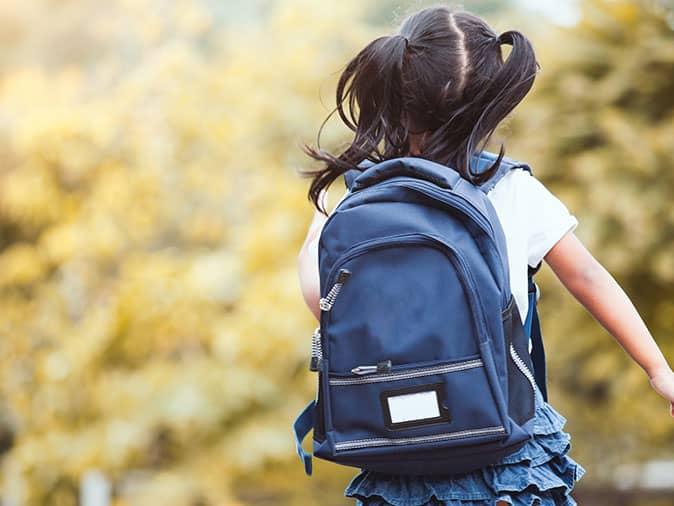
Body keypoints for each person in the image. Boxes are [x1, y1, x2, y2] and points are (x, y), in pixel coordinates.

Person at [295, 5, 674, 505]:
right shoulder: (510, 188)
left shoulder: (354, 194)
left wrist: (324, 218)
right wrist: (657, 370)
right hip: (503, 446)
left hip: (393, 445)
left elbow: (318, 295)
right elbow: (587, 277)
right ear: (490, 105)